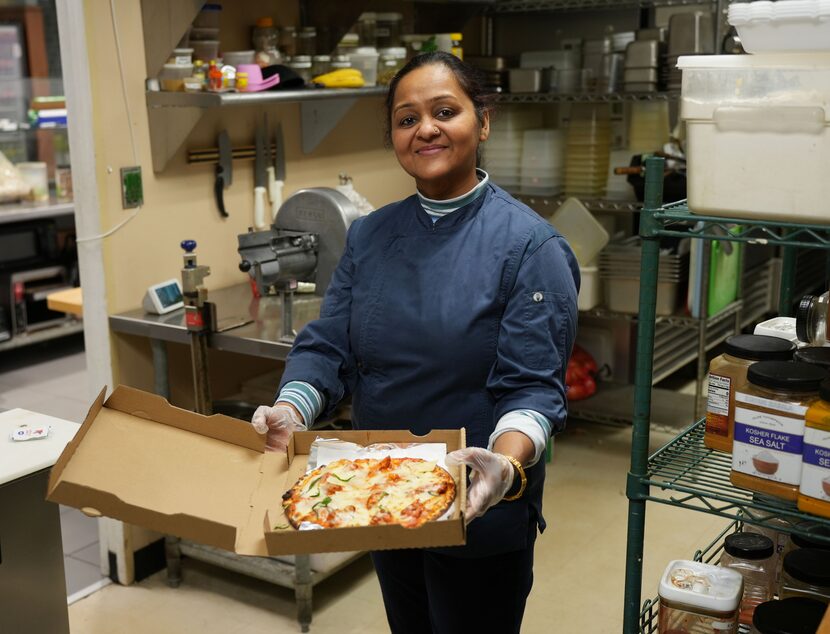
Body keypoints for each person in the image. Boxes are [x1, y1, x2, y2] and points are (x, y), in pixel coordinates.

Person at [251, 51, 579, 634]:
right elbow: (330, 344)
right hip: (381, 496)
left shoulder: (531, 247)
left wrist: (504, 465)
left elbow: (530, 387)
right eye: (406, 119)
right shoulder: (372, 236)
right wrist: (290, 408)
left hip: (476, 506)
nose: (424, 129)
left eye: (445, 111)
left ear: (483, 122)